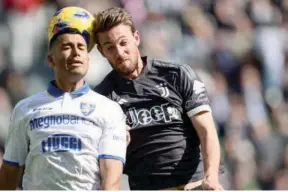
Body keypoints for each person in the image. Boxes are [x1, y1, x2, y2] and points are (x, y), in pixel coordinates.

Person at [0, 6, 127, 190]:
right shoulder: (25, 109)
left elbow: (111, 180)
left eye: (81, 47)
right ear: (50, 59)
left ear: (88, 59)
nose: (76, 53)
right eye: (67, 47)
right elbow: (9, 172)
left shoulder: (109, 110)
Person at [93, 7, 225, 190]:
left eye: (123, 43)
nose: (119, 52)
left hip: (193, 186)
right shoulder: (102, 98)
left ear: (136, 38)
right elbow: (102, 160)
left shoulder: (177, 75)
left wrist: (211, 176)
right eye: (110, 47)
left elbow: (207, 130)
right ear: (101, 51)